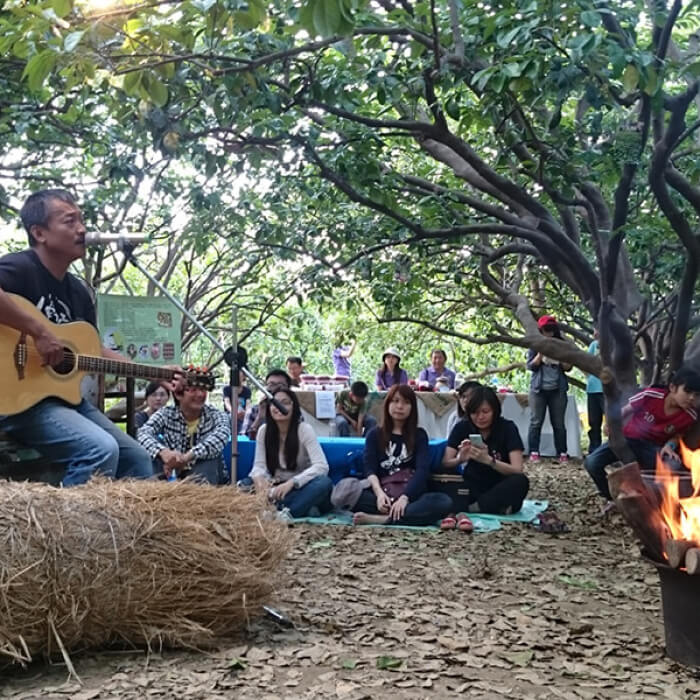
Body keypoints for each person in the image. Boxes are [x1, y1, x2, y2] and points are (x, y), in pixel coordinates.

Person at [0, 189, 153, 486]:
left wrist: (155, 373)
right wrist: (40, 332)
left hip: (61, 400)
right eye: (70, 221)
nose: (81, 229)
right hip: (16, 400)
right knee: (98, 449)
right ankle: (76, 531)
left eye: (81, 221)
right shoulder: (20, 268)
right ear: (40, 232)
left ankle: (131, 532)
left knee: (137, 458)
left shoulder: (78, 291)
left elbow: (91, 348)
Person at [584, 366, 700, 508]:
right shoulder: (651, 395)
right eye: (687, 391)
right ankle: (611, 498)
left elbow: (678, 434)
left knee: (673, 466)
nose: (691, 398)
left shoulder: (690, 415)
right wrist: (611, 425)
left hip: (652, 447)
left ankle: (657, 504)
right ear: (673, 387)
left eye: (697, 395)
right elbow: (626, 410)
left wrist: (670, 446)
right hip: (628, 439)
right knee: (592, 462)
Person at [351, 384, 453, 525]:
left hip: (410, 495)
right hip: (382, 493)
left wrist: (405, 498)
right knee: (350, 494)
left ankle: (384, 519)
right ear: (388, 404)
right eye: (395, 401)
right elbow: (369, 468)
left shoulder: (419, 435)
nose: (400, 406)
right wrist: (379, 494)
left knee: (443, 502)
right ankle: (401, 515)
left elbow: (422, 470)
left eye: (406, 402)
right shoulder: (374, 434)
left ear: (412, 408)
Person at [442, 385, 529, 514]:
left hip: (501, 482)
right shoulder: (462, 427)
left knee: (521, 481)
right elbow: (445, 462)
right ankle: (493, 507)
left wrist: (489, 460)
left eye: (485, 412)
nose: (480, 417)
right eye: (475, 413)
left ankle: (476, 507)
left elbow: (517, 469)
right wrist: (460, 459)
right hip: (473, 482)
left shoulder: (507, 428)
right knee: (448, 483)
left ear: (495, 410)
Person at [251, 388, 332, 517]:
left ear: (294, 406)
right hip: (274, 487)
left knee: (323, 483)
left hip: (300, 486)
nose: (279, 407)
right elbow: (259, 466)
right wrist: (260, 481)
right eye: (275, 403)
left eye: (285, 402)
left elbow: (322, 466)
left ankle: (285, 512)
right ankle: (303, 508)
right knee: (244, 485)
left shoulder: (304, 429)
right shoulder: (264, 431)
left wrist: (292, 483)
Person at [137, 379, 231, 484]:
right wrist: (164, 453)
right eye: (193, 390)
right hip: (171, 474)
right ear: (178, 395)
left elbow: (221, 436)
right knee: (152, 449)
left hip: (206, 477)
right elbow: (142, 433)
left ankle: (199, 495)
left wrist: (186, 458)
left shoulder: (216, 415)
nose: (200, 394)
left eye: (203, 389)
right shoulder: (166, 413)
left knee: (211, 457)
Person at [526, 315, 571, 462]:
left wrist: (559, 357)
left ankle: (562, 452)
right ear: (541, 330)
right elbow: (530, 366)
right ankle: (534, 451)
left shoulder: (562, 344)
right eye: (546, 330)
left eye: (551, 330)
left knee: (558, 423)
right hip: (538, 389)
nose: (549, 333)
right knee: (536, 421)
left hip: (557, 389)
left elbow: (568, 367)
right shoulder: (535, 344)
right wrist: (540, 354)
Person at [241, 369, 292, 439]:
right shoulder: (254, 410)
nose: (275, 389)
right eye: (271, 385)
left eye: (280, 385)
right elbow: (246, 439)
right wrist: (259, 417)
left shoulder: (293, 410)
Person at [586, 329, 604, 452]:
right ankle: (595, 449)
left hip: (608, 390)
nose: (596, 332)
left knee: (612, 422)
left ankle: (614, 451)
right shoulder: (593, 345)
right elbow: (586, 362)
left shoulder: (614, 344)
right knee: (594, 422)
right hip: (593, 388)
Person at [222, 370, 252, 435]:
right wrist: (234, 412)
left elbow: (248, 404)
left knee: (249, 417)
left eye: (240, 376)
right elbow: (227, 403)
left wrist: (246, 413)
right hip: (230, 414)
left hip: (242, 414)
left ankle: (244, 434)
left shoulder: (247, 390)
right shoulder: (227, 389)